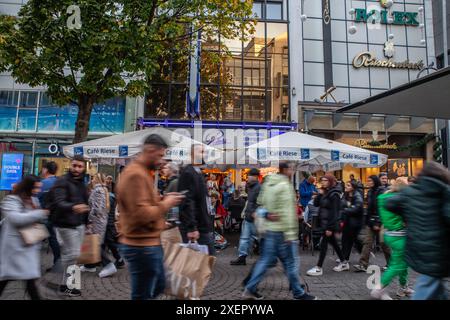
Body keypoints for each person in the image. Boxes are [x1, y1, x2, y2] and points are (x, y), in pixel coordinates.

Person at [116, 134, 183, 300]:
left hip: (148, 242)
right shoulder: (136, 174)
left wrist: (161, 206)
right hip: (140, 245)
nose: (162, 161)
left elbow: (144, 205)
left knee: (157, 285)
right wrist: (166, 203)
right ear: (150, 150)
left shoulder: (144, 172)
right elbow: (140, 214)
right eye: (160, 156)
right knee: (143, 294)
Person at [242, 162, 316, 300]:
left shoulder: (268, 183)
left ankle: (250, 288)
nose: (293, 171)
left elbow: (261, 202)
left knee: (266, 261)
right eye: (291, 168)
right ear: (285, 170)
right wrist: (290, 234)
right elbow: (287, 211)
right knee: (290, 263)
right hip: (283, 231)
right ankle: (298, 293)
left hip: (270, 230)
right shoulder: (285, 186)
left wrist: (267, 214)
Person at [385, 162, 450, 300]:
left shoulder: (411, 191)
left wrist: (407, 213)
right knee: (429, 282)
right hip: (438, 248)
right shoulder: (445, 191)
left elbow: (389, 203)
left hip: (416, 244)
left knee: (436, 284)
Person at [0, 175, 49, 300]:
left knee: (30, 281)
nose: (38, 191)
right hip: (14, 248)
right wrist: (40, 213)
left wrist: (42, 216)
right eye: (36, 188)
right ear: (28, 186)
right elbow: (16, 218)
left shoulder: (34, 200)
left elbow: (36, 218)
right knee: (7, 278)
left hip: (28, 247)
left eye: (39, 188)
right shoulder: (11, 200)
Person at [51, 156, 90, 297]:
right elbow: (59, 202)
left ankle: (67, 285)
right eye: (75, 165)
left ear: (84, 168)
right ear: (70, 165)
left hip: (78, 224)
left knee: (73, 255)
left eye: (80, 166)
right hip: (65, 223)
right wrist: (74, 207)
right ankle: (68, 285)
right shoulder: (62, 181)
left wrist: (87, 222)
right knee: (73, 254)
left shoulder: (82, 183)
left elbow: (85, 203)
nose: (77, 169)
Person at [371, 177, 414, 300]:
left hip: (390, 234)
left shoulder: (384, 198)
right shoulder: (400, 201)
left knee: (403, 263)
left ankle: (403, 287)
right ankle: (379, 288)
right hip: (399, 235)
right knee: (397, 265)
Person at [178, 144, 215, 256]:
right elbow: (187, 201)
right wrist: (192, 227)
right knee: (202, 262)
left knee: (205, 262)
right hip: (197, 229)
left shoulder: (198, 172)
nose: (204, 154)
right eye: (201, 152)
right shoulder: (188, 172)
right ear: (192, 154)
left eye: (204, 152)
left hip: (203, 226)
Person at [306, 175, 346, 276]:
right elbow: (316, 204)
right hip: (325, 223)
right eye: (322, 180)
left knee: (324, 244)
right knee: (334, 244)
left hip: (329, 224)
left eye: (325, 180)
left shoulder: (335, 194)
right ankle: (344, 262)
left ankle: (319, 268)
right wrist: (320, 194)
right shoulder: (325, 192)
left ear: (331, 181)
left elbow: (335, 212)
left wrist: (330, 227)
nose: (323, 182)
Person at [353, 175, 391, 272]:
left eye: (370, 180)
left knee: (384, 243)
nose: (368, 182)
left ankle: (391, 264)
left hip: (381, 221)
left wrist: (377, 222)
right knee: (367, 242)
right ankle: (363, 264)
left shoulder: (381, 191)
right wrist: (368, 221)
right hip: (371, 221)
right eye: (368, 180)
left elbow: (381, 208)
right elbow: (369, 208)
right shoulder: (370, 192)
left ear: (375, 181)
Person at [81, 173, 112, 274]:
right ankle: (90, 265)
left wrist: (89, 219)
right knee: (93, 242)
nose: (92, 180)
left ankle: (108, 265)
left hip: (96, 221)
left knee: (94, 243)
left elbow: (97, 209)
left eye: (93, 178)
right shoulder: (103, 189)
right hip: (100, 220)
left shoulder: (98, 190)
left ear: (97, 179)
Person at [230, 168, 261, 266]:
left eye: (249, 176)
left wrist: (255, 212)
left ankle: (270, 256)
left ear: (255, 176)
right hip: (249, 217)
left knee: (257, 237)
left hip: (254, 217)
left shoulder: (259, 188)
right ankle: (242, 257)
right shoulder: (251, 187)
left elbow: (260, 202)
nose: (247, 177)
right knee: (245, 238)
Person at [37, 161, 61, 272]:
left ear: (46, 170)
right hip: (59, 217)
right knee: (54, 240)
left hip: (44, 217)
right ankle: (57, 263)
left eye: (43, 169)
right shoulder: (60, 182)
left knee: (36, 241)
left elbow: (36, 200)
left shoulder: (42, 184)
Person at [339, 181, 364, 267]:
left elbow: (357, 207)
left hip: (355, 222)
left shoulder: (357, 195)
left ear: (353, 187)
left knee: (353, 240)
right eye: (346, 185)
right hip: (348, 221)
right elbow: (341, 205)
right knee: (346, 240)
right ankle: (345, 257)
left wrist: (345, 210)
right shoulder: (345, 195)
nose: (346, 186)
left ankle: (364, 254)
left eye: (348, 185)